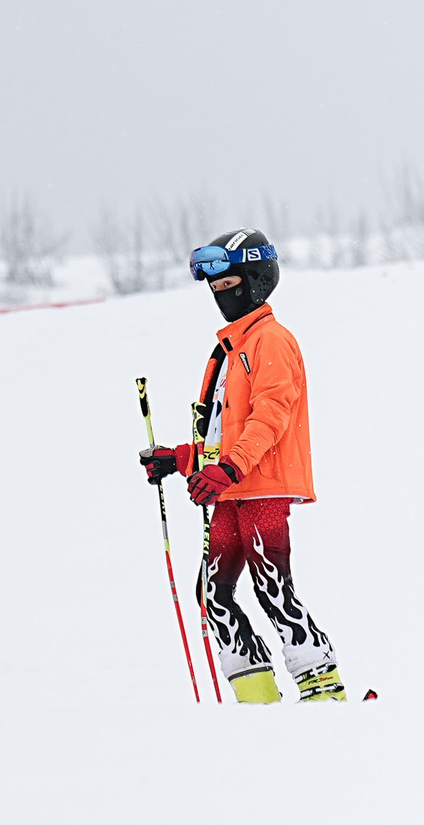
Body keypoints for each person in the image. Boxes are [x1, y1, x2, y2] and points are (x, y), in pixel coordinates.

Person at [140, 229, 344, 703]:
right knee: (213, 594)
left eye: (229, 286)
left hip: (262, 484)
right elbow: (223, 435)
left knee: (272, 587)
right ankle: (257, 698)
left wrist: (230, 468)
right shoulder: (231, 350)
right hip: (232, 487)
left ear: (255, 280)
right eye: (214, 289)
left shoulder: (270, 340)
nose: (220, 297)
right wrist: (180, 459)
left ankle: (323, 689)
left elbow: (271, 415)